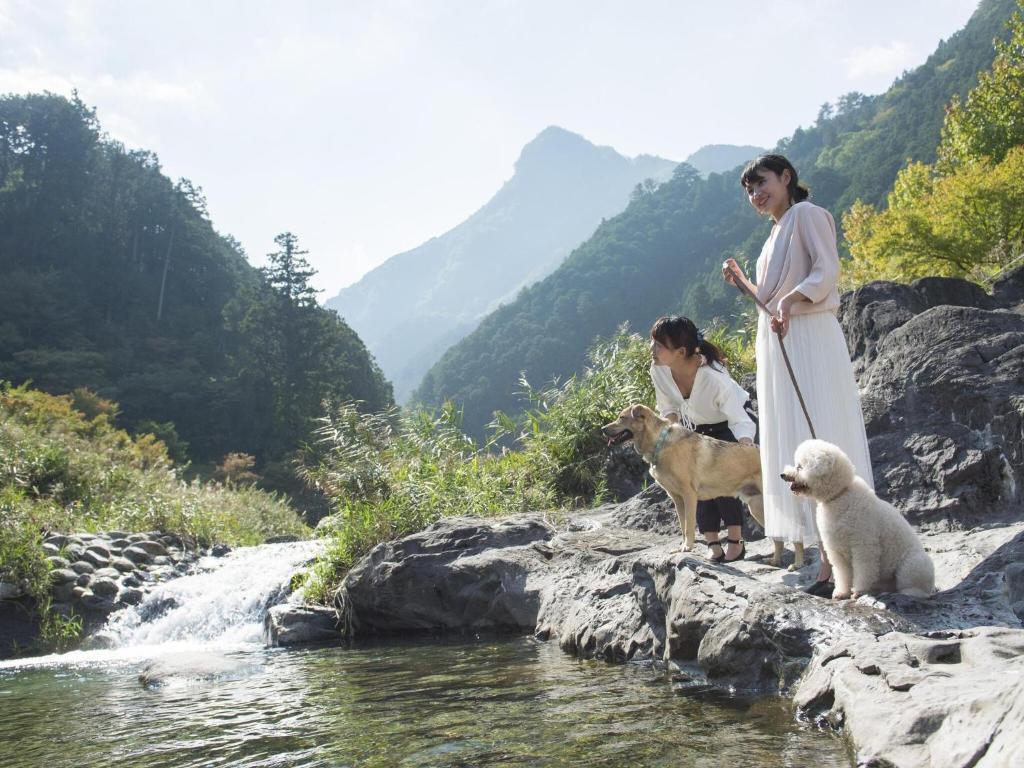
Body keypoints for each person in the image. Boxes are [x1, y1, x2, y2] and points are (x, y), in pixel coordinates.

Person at [722, 153, 873, 596]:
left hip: (809, 337)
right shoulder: (773, 236)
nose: (756, 194)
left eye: (762, 183)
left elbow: (826, 271)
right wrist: (745, 285)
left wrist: (792, 301)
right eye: (749, 189)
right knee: (795, 439)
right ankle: (828, 565)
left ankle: (843, 560)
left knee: (821, 430)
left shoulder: (808, 214)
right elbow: (771, 299)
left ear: (787, 177)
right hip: (781, 342)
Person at [649, 315, 757, 562]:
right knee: (692, 479)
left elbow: (739, 418)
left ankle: (736, 541)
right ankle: (712, 542)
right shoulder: (659, 369)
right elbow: (667, 405)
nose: (652, 349)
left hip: (731, 422)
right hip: (696, 427)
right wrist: (671, 428)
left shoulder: (713, 376)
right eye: (653, 342)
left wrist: (743, 448)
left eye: (659, 345)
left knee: (722, 477)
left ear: (680, 352)